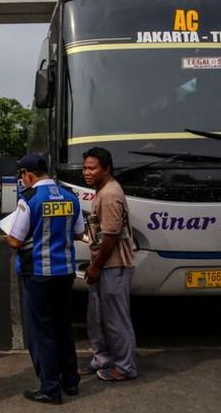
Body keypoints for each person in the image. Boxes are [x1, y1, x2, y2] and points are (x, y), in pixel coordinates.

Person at [5, 153, 84, 404]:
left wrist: (8, 235)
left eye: (22, 176)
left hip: (38, 274)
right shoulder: (71, 197)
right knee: (63, 327)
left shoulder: (29, 199)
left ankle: (50, 388)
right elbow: (80, 233)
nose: (22, 181)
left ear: (28, 175)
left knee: (41, 332)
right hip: (66, 272)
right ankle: (71, 381)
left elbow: (15, 240)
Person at [81, 146, 138, 382]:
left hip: (113, 265)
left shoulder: (110, 194)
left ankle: (125, 367)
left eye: (92, 168)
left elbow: (111, 237)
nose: (87, 172)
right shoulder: (101, 191)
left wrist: (95, 267)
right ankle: (102, 359)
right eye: (85, 168)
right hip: (102, 264)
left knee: (115, 320)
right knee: (97, 317)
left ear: (106, 168)